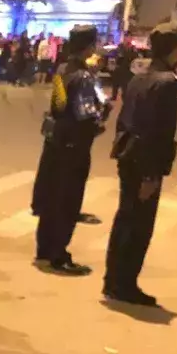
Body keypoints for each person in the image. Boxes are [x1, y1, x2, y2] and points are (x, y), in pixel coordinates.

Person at [104, 23, 177, 307]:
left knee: (124, 218)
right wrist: (152, 174)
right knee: (139, 225)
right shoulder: (167, 82)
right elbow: (159, 132)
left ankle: (113, 280)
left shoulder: (138, 77)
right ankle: (125, 284)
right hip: (145, 160)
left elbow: (124, 119)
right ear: (174, 49)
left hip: (127, 154)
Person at [31, 25, 111, 276]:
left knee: (52, 199)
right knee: (67, 201)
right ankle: (58, 255)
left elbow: (58, 105)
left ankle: (44, 250)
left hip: (55, 141)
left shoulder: (62, 70)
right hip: (74, 146)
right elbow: (86, 115)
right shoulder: (83, 77)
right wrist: (102, 116)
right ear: (89, 47)